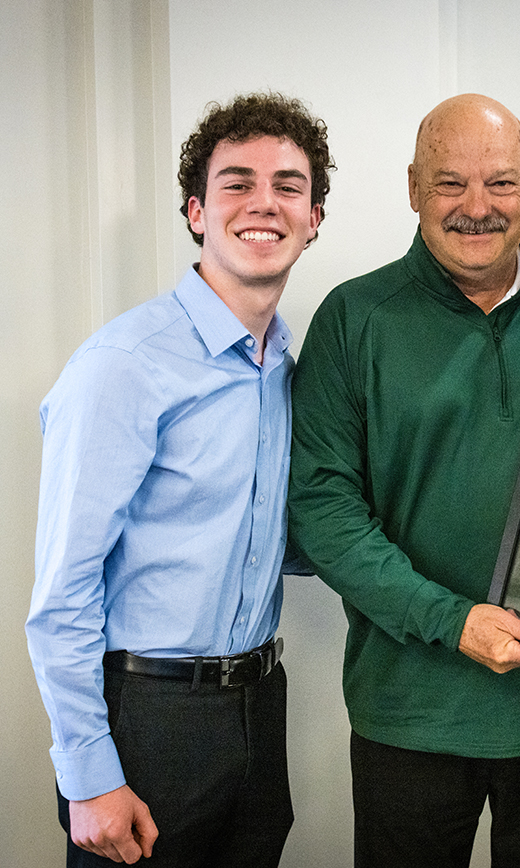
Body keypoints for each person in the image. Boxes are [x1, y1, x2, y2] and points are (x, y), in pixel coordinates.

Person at [288, 93, 520, 868]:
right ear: (413, 187)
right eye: (450, 184)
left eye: (501, 184)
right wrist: (453, 620)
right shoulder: (354, 319)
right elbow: (323, 511)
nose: (477, 208)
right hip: (410, 711)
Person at [25, 91, 334, 867]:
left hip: (261, 706)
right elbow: (63, 593)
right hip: (149, 717)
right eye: (237, 183)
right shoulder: (123, 367)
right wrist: (88, 773)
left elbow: (276, 543)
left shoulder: (285, 372)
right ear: (197, 211)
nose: (264, 203)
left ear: (315, 219)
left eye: (288, 186)